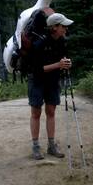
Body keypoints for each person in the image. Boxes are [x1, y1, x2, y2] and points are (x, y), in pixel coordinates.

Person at [28, 12, 73, 160]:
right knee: (36, 113)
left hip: (53, 81)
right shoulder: (39, 43)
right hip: (37, 81)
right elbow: (36, 69)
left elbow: (62, 60)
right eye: (63, 26)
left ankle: (51, 145)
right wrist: (58, 65)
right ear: (54, 27)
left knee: (51, 112)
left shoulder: (61, 41)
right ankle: (35, 146)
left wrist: (66, 64)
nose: (66, 29)